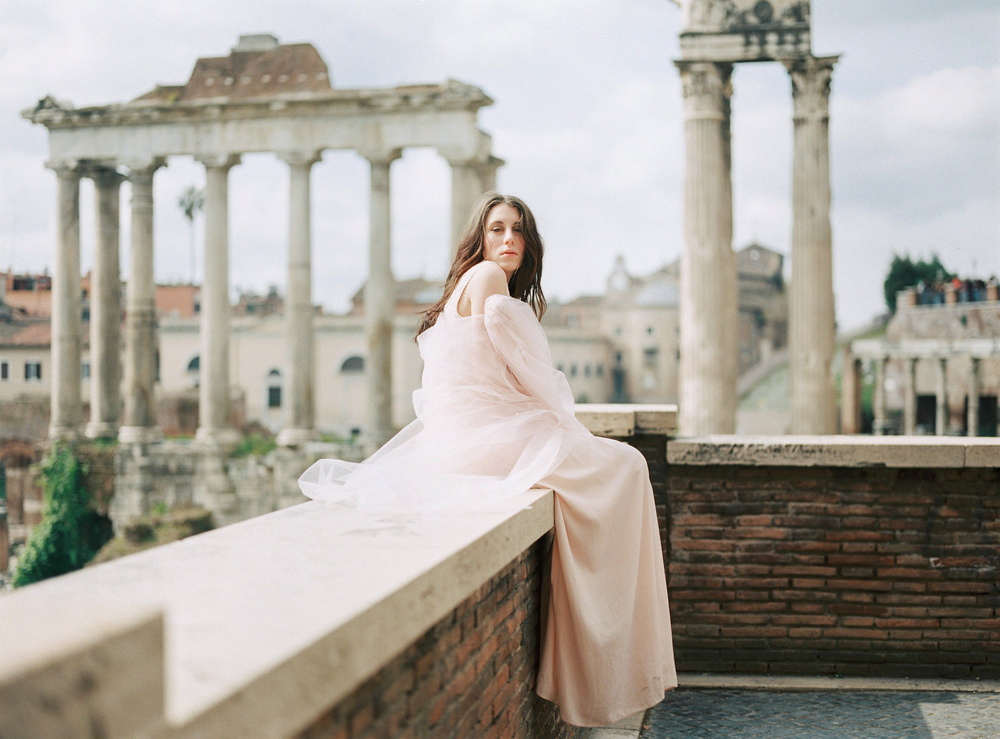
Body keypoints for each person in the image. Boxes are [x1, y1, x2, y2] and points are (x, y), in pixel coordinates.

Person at [299, 192, 676, 727]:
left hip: (468, 438)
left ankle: (598, 662)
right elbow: (536, 383)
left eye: (518, 231)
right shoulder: (490, 282)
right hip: (497, 437)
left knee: (612, 473)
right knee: (629, 467)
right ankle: (610, 659)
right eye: (497, 229)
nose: (509, 241)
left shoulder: (461, 286)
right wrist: (569, 431)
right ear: (479, 236)